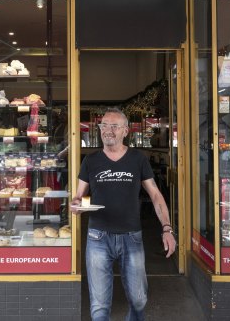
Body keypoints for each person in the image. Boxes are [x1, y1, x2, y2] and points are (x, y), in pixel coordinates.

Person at [71, 107, 176, 321]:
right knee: (99, 308)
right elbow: (79, 196)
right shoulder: (90, 161)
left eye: (114, 126)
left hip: (131, 237)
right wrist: (76, 205)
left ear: (125, 131)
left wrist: (167, 228)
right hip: (97, 237)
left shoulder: (138, 159)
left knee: (139, 300)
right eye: (104, 125)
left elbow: (155, 195)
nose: (108, 130)